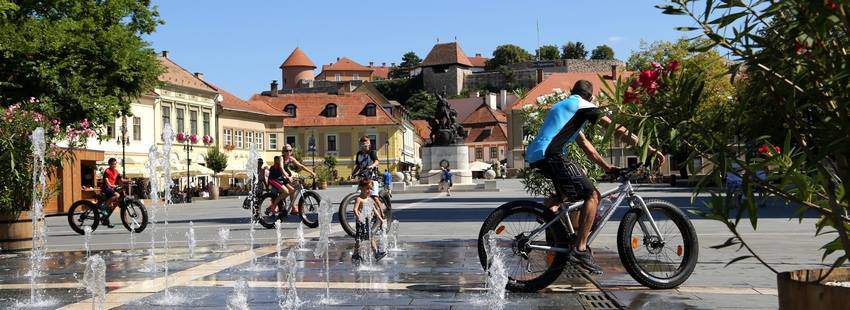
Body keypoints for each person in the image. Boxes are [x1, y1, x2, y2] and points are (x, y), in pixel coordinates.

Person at [525, 80, 664, 274]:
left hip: (536, 155)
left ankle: (550, 217)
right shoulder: (583, 105)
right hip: (551, 154)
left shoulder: (568, 109)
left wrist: (607, 167)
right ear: (590, 97)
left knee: (565, 197)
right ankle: (580, 249)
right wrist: (648, 150)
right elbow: (614, 127)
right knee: (593, 196)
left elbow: (586, 146)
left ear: (572, 91)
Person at [352, 178, 387, 264]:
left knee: (371, 237)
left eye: (370, 189)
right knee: (359, 240)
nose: (369, 191)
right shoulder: (359, 199)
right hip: (360, 222)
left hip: (367, 222)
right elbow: (355, 209)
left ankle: (376, 253)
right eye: (367, 189)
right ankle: (355, 254)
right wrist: (358, 217)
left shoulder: (369, 199)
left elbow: (374, 210)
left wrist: (381, 219)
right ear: (361, 188)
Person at [351, 136, 385, 222]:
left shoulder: (372, 152)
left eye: (366, 145)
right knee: (359, 195)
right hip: (363, 178)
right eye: (362, 145)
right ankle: (360, 216)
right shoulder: (359, 154)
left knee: (374, 197)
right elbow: (358, 165)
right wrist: (353, 173)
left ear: (369, 145)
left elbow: (377, 161)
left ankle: (382, 214)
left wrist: (372, 166)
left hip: (373, 177)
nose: (364, 147)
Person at [280, 144, 316, 215]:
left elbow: (301, 166)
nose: (288, 152)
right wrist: (287, 176)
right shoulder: (281, 158)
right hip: (280, 176)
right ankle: (284, 204)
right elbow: (281, 168)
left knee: (295, 187)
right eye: (286, 151)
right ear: (283, 152)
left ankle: (293, 207)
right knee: (291, 190)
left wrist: (311, 172)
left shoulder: (291, 158)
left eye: (290, 150)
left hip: (287, 176)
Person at [99, 158, 122, 228]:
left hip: (111, 189)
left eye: (115, 164)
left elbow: (120, 180)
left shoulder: (116, 171)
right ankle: (103, 207)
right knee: (117, 195)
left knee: (110, 206)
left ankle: (106, 221)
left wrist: (128, 182)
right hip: (106, 188)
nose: (114, 165)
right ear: (109, 164)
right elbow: (106, 181)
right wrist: (111, 185)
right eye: (112, 164)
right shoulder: (107, 171)